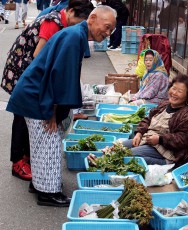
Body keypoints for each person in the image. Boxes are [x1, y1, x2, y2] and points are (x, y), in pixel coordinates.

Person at [6, 5, 116, 207]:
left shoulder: (76, 34)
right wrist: (53, 111)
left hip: (36, 93)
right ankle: (48, 193)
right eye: (107, 27)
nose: (108, 33)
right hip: (38, 96)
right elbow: (59, 75)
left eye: (111, 30)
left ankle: (38, 185)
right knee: (48, 144)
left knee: (41, 145)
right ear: (92, 18)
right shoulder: (74, 36)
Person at [1, 0, 94, 182]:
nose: (80, 24)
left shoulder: (67, 26)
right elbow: (39, 54)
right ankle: (18, 162)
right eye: (79, 19)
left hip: (33, 72)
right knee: (22, 116)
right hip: (25, 71)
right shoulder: (54, 22)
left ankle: (28, 158)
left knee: (32, 119)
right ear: (71, 11)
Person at [123, 74, 188, 167]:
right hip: (148, 140)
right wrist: (139, 133)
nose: (174, 93)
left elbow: (182, 140)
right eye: (173, 88)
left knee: (129, 155)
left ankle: (166, 164)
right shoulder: (164, 105)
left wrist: (160, 139)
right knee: (120, 147)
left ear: (187, 96)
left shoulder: (187, 116)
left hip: (166, 151)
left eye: (180, 91)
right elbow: (148, 119)